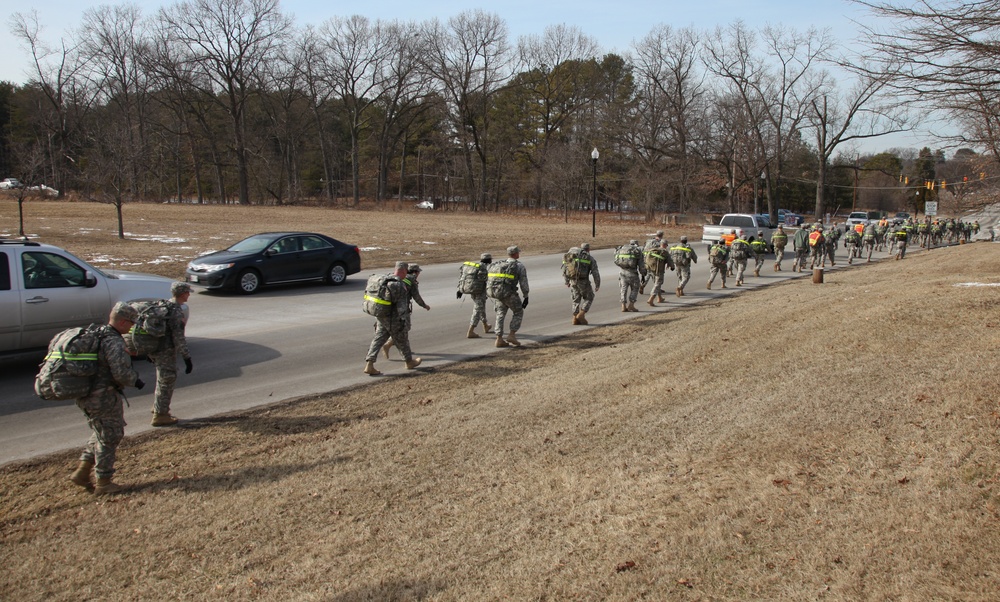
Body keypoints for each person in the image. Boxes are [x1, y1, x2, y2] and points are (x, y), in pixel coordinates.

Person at [69, 302, 145, 496]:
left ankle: (83, 470)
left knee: (100, 430)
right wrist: (136, 381)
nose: (131, 327)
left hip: (86, 394)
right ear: (121, 321)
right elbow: (120, 373)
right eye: (130, 323)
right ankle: (103, 481)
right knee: (110, 435)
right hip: (102, 396)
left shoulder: (97, 333)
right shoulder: (114, 341)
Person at [138, 281, 194, 427]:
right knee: (167, 380)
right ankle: (161, 415)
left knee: (161, 378)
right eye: (188, 292)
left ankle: (158, 406)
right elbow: (178, 337)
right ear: (183, 294)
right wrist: (186, 357)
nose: (189, 295)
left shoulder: (163, 305)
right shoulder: (175, 311)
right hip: (166, 351)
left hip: (156, 349)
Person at [364, 262, 421, 375]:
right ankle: (409, 362)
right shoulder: (398, 285)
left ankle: (369, 365)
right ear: (404, 271)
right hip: (392, 318)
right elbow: (401, 306)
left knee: (378, 338)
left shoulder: (386, 279)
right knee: (402, 338)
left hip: (381, 315)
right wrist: (403, 320)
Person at [381, 263, 430, 357]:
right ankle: (395, 348)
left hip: (389, 307)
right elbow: (416, 297)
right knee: (404, 329)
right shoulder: (411, 280)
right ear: (415, 272)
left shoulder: (399, 278)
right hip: (402, 309)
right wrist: (424, 306)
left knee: (395, 330)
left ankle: (400, 349)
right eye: (418, 272)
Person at [489, 246, 529, 347]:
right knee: (518, 311)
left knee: (500, 314)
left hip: (498, 293)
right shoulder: (519, 266)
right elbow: (523, 282)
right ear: (515, 254)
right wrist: (526, 296)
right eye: (518, 253)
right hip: (509, 293)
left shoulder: (500, 264)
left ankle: (499, 339)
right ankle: (512, 335)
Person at [457, 252, 493, 338]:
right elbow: (486, 280)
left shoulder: (474, 267)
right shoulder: (484, 268)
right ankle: (471, 331)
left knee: (481, 307)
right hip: (480, 291)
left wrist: (459, 290)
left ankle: (485, 325)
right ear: (489, 260)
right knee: (477, 309)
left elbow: (463, 277)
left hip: (472, 290)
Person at [563, 242, 600, 325]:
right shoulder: (589, 258)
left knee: (576, 300)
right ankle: (581, 314)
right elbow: (595, 273)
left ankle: (574, 319)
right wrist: (597, 284)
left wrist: (567, 281)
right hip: (583, 281)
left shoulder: (572, 256)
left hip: (573, 281)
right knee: (589, 297)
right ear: (588, 249)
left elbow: (565, 268)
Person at [614, 239, 645, 312]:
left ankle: (623, 306)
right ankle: (631, 305)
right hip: (632, 273)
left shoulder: (622, 249)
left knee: (623, 289)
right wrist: (643, 275)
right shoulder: (637, 251)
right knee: (635, 289)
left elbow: (616, 259)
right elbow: (641, 265)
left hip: (622, 272)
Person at [645, 239, 675, 306]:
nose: (666, 246)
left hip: (651, 269)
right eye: (666, 245)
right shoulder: (665, 252)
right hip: (659, 270)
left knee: (656, 284)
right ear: (664, 245)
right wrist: (672, 267)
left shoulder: (653, 250)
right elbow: (670, 261)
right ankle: (651, 299)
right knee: (658, 284)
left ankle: (659, 298)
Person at [639, 230, 664, 295]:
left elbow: (643, 249)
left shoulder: (648, 241)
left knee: (648, 273)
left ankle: (643, 285)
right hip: (652, 259)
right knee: (655, 274)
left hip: (645, 258)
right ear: (662, 235)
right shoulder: (658, 242)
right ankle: (657, 288)